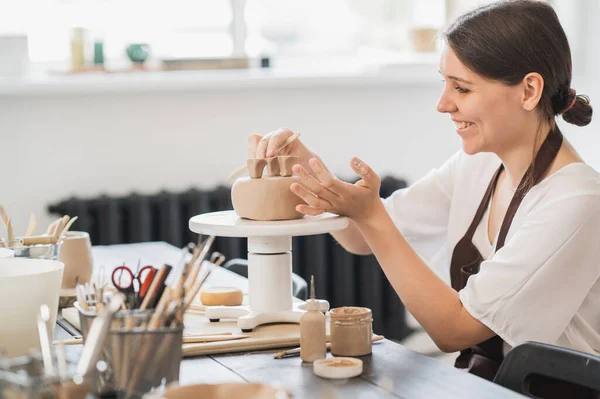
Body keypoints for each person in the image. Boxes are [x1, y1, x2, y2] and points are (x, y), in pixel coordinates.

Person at [247, 0, 598, 396]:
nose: (443, 103)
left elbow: (454, 329)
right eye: (444, 83)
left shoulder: (577, 202)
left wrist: (372, 216)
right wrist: (304, 164)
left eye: (461, 88)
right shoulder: (478, 167)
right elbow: (359, 236)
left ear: (529, 90)